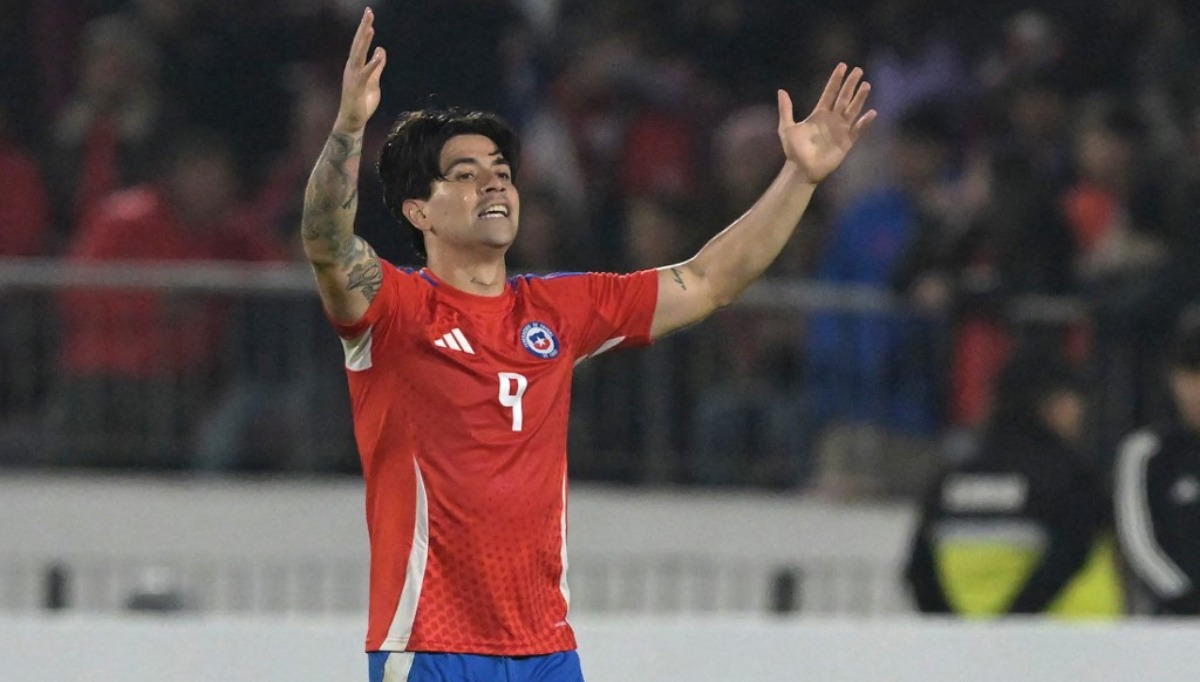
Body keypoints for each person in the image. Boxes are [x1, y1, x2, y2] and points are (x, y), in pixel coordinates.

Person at [303, 9, 874, 681]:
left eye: (501, 172)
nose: (494, 183)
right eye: (464, 174)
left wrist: (799, 178)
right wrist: (346, 129)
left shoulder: (558, 309)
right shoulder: (396, 310)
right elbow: (328, 246)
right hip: (429, 645)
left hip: (547, 651)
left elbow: (707, 280)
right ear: (419, 212)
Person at [904, 348, 1122, 618]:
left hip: (970, 649)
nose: (1079, 410)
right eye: (1072, 398)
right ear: (1048, 404)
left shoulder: (952, 479)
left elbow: (919, 572)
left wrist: (960, 636)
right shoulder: (1072, 475)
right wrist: (1012, 625)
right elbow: (1070, 556)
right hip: (1073, 643)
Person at [1114, 316, 1200, 614]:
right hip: (1170, 624)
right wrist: (1186, 600)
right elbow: (1137, 538)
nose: (1194, 391)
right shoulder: (1148, 452)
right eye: (1188, 376)